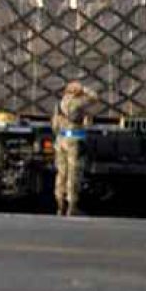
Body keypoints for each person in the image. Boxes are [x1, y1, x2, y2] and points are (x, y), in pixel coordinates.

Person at [51, 81, 98, 217]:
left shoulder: (59, 104)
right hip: (73, 141)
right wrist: (84, 89)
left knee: (61, 174)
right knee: (73, 174)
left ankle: (60, 205)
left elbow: (54, 125)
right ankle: (72, 206)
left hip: (60, 140)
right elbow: (95, 97)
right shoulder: (77, 103)